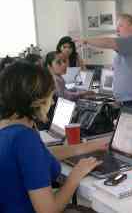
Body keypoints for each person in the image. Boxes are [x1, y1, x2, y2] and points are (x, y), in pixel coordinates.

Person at [0, 61, 106, 213]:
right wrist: (75, 175)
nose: (53, 100)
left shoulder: (8, 129)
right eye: (50, 96)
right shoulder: (25, 138)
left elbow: (40, 155)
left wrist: (86, 147)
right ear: (36, 100)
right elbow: (48, 210)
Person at [79, 13, 132, 109]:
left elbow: (109, 42)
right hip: (126, 99)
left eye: (121, 26)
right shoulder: (129, 46)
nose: (117, 30)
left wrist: (85, 41)